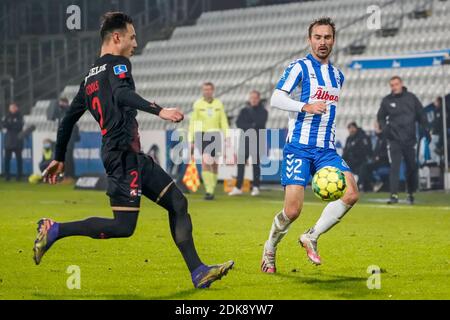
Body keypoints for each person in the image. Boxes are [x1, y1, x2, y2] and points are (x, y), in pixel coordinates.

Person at [33, 12, 233, 289]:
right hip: (121, 156)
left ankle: (198, 271)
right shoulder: (118, 64)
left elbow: (67, 119)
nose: (136, 42)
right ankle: (54, 230)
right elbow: (121, 95)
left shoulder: (88, 79)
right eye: (132, 36)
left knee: (178, 203)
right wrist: (159, 110)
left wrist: (58, 157)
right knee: (123, 227)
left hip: (131, 155)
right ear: (117, 37)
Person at [261, 17, 359, 273]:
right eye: (318, 37)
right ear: (310, 40)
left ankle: (311, 236)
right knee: (292, 211)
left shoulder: (338, 75)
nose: (322, 42)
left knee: (351, 193)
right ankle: (270, 247)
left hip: (326, 149)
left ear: (333, 40)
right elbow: (276, 98)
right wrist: (305, 106)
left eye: (327, 37)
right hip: (299, 148)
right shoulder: (299, 68)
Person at [377, 76, 430, 205]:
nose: (394, 87)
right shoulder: (387, 100)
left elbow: (421, 115)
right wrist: (386, 130)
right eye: (392, 85)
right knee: (394, 167)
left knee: (411, 167)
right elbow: (381, 117)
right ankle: (393, 195)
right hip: (394, 140)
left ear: (401, 84)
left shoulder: (411, 98)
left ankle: (410, 193)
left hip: (410, 139)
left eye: (396, 84)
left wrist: (426, 129)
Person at [188, 82, 229, 200]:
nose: (207, 92)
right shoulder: (198, 104)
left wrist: (227, 136)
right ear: (202, 91)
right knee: (206, 161)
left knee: (215, 164)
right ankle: (209, 191)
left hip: (215, 135)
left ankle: (212, 188)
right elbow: (193, 122)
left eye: (209, 90)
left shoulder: (218, 104)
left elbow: (223, 121)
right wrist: (191, 139)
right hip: (202, 134)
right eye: (205, 90)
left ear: (213, 90)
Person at [228, 90, 268, 197]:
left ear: (258, 99)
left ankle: (256, 187)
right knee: (241, 164)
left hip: (257, 140)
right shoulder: (244, 110)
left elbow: (260, 123)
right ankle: (238, 187)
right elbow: (238, 123)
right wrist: (251, 125)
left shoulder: (263, 111)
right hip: (244, 140)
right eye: (252, 98)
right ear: (249, 99)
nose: (253, 100)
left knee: (256, 164)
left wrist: (248, 125)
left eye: (255, 98)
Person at [359, 121, 390, 192]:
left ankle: (363, 185)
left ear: (380, 128)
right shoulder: (379, 139)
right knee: (364, 166)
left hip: (384, 161)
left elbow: (387, 152)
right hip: (377, 161)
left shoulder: (385, 138)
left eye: (376, 127)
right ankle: (370, 184)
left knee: (364, 167)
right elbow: (375, 152)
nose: (374, 129)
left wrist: (379, 157)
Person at [54, 97, 80, 180]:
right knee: (64, 158)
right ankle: (65, 175)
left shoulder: (69, 110)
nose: (60, 104)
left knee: (69, 158)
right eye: (60, 103)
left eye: (62, 103)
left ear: (66, 103)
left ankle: (70, 175)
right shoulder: (60, 113)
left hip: (69, 137)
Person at [342, 122, 372, 191]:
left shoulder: (363, 137)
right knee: (342, 167)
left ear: (356, 128)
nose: (351, 130)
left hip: (361, 161)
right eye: (349, 128)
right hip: (351, 161)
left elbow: (366, 151)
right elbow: (346, 151)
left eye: (352, 128)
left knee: (363, 168)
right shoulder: (349, 139)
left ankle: (357, 186)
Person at [2, 103, 24, 181]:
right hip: (8, 141)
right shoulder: (7, 116)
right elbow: (4, 124)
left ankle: (19, 176)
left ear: (16, 108)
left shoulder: (20, 116)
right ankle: (7, 176)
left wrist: (10, 124)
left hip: (18, 140)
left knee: (19, 159)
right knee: (7, 159)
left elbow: (19, 126)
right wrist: (11, 124)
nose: (12, 109)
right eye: (11, 108)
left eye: (14, 107)